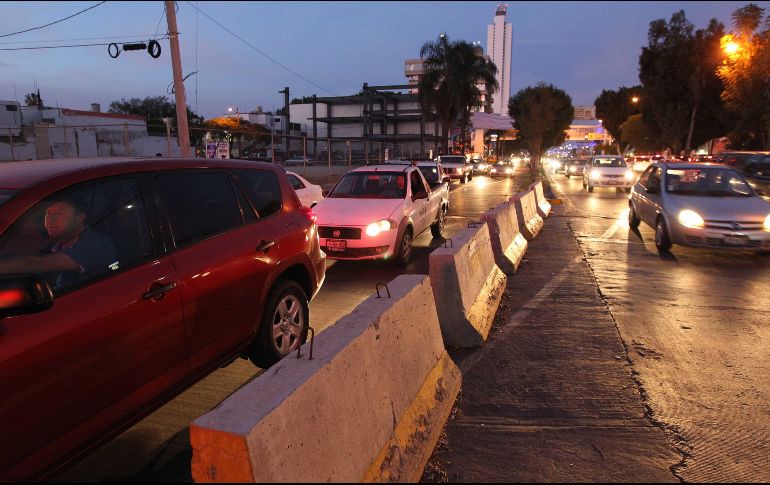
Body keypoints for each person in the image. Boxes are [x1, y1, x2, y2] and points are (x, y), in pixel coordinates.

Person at [0, 196, 118, 292]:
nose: (50, 220)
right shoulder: (55, 242)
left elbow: (39, 264)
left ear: (80, 217)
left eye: (59, 214)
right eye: (47, 214)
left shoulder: (97, 243)